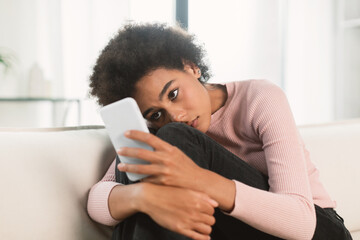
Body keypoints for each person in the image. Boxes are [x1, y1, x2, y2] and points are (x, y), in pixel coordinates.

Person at [87, 23, 352, 240]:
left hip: (316, 228)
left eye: (174, 93)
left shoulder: (259, 98)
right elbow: (97, 200)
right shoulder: (157, 128)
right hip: (238, 229)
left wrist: (198, 178)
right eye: (155, 113)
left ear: (191, 66)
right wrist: (145, 197)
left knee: (172, 137)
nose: (175, 115)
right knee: (143, 151)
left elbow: (300, 223)